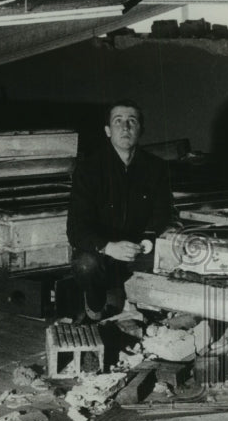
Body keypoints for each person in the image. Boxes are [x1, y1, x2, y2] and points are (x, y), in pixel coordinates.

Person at [66, 99, 174, 321]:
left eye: (131, 121)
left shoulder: (156, 168)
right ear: (108, 131)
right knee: (85, 265)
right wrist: (107, 247)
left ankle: (144, 312)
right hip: (103, 251)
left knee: (171, 264)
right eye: (118, 121)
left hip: (139, 249)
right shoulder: (89, 170)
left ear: (140, 130)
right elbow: (76, 228)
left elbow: (162, 213)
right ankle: (95, 307)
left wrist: (146, 241)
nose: (125, 127)